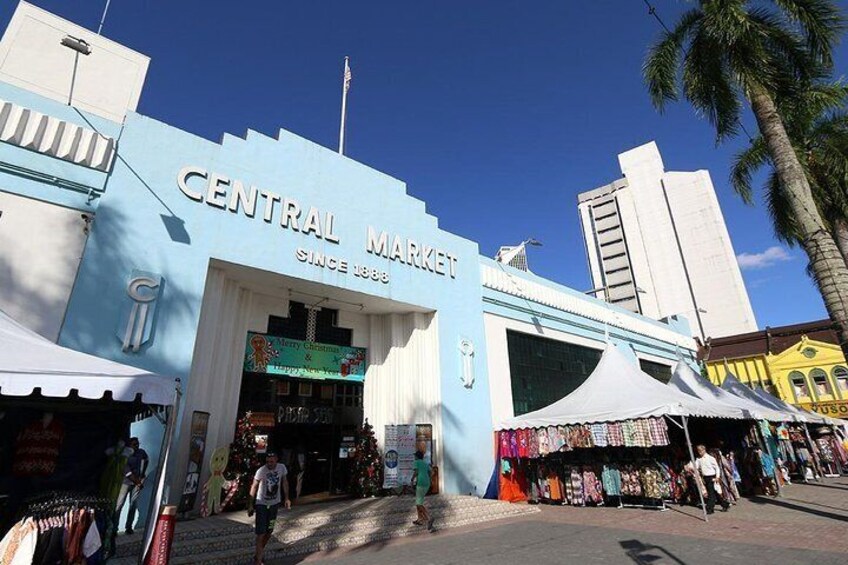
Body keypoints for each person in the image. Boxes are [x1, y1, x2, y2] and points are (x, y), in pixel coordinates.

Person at [248, 452, 290, 565]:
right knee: (261, 533)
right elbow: (254, 486)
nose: (269, 464)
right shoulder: (261, 470)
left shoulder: (282, 468)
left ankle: (258, 554)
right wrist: (251, 505)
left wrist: (287, 498)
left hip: (274, 504)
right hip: (261, 504)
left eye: (271, 461)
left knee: (269, 531)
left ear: (276, 459)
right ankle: (258, 560)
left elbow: (285, 482)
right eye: (267, 462)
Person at [115, 437, 148, 534]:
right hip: (125, 482)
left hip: (136, 482)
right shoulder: (125, 455)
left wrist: (142, 473)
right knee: (119, 505)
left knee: (133, 505)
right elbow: (127, 472)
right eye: (134, 444)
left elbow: (146, 460)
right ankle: (114, 528)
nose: (136, 446)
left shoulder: (141, 452)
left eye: (137, 444)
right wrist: (138, 481)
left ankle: (128, 527)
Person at [695, 444, 729, 514]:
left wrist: (717, 476)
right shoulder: (699, 459)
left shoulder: (710, 458)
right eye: (698, 451)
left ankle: (709, 508)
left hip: (712, 477)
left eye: (701, 450)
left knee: (711, 494)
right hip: (705, 477)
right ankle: (725, 504)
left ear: (704, 450)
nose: (699, 452)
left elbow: (717, 467)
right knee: (714, 492)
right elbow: (696, 467)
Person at [411, 450, 434, 531]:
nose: (414, 457)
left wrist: (412, 479)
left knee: (419, 503)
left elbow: (416, 472)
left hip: (420, 483)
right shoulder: (425, 463)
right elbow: (432, 472)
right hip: (427, 483)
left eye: (415, 456)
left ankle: (429, 518)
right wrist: (430, 479)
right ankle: (420, 519)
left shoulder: (416, 462)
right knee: (418, 501)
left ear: (417, 456)